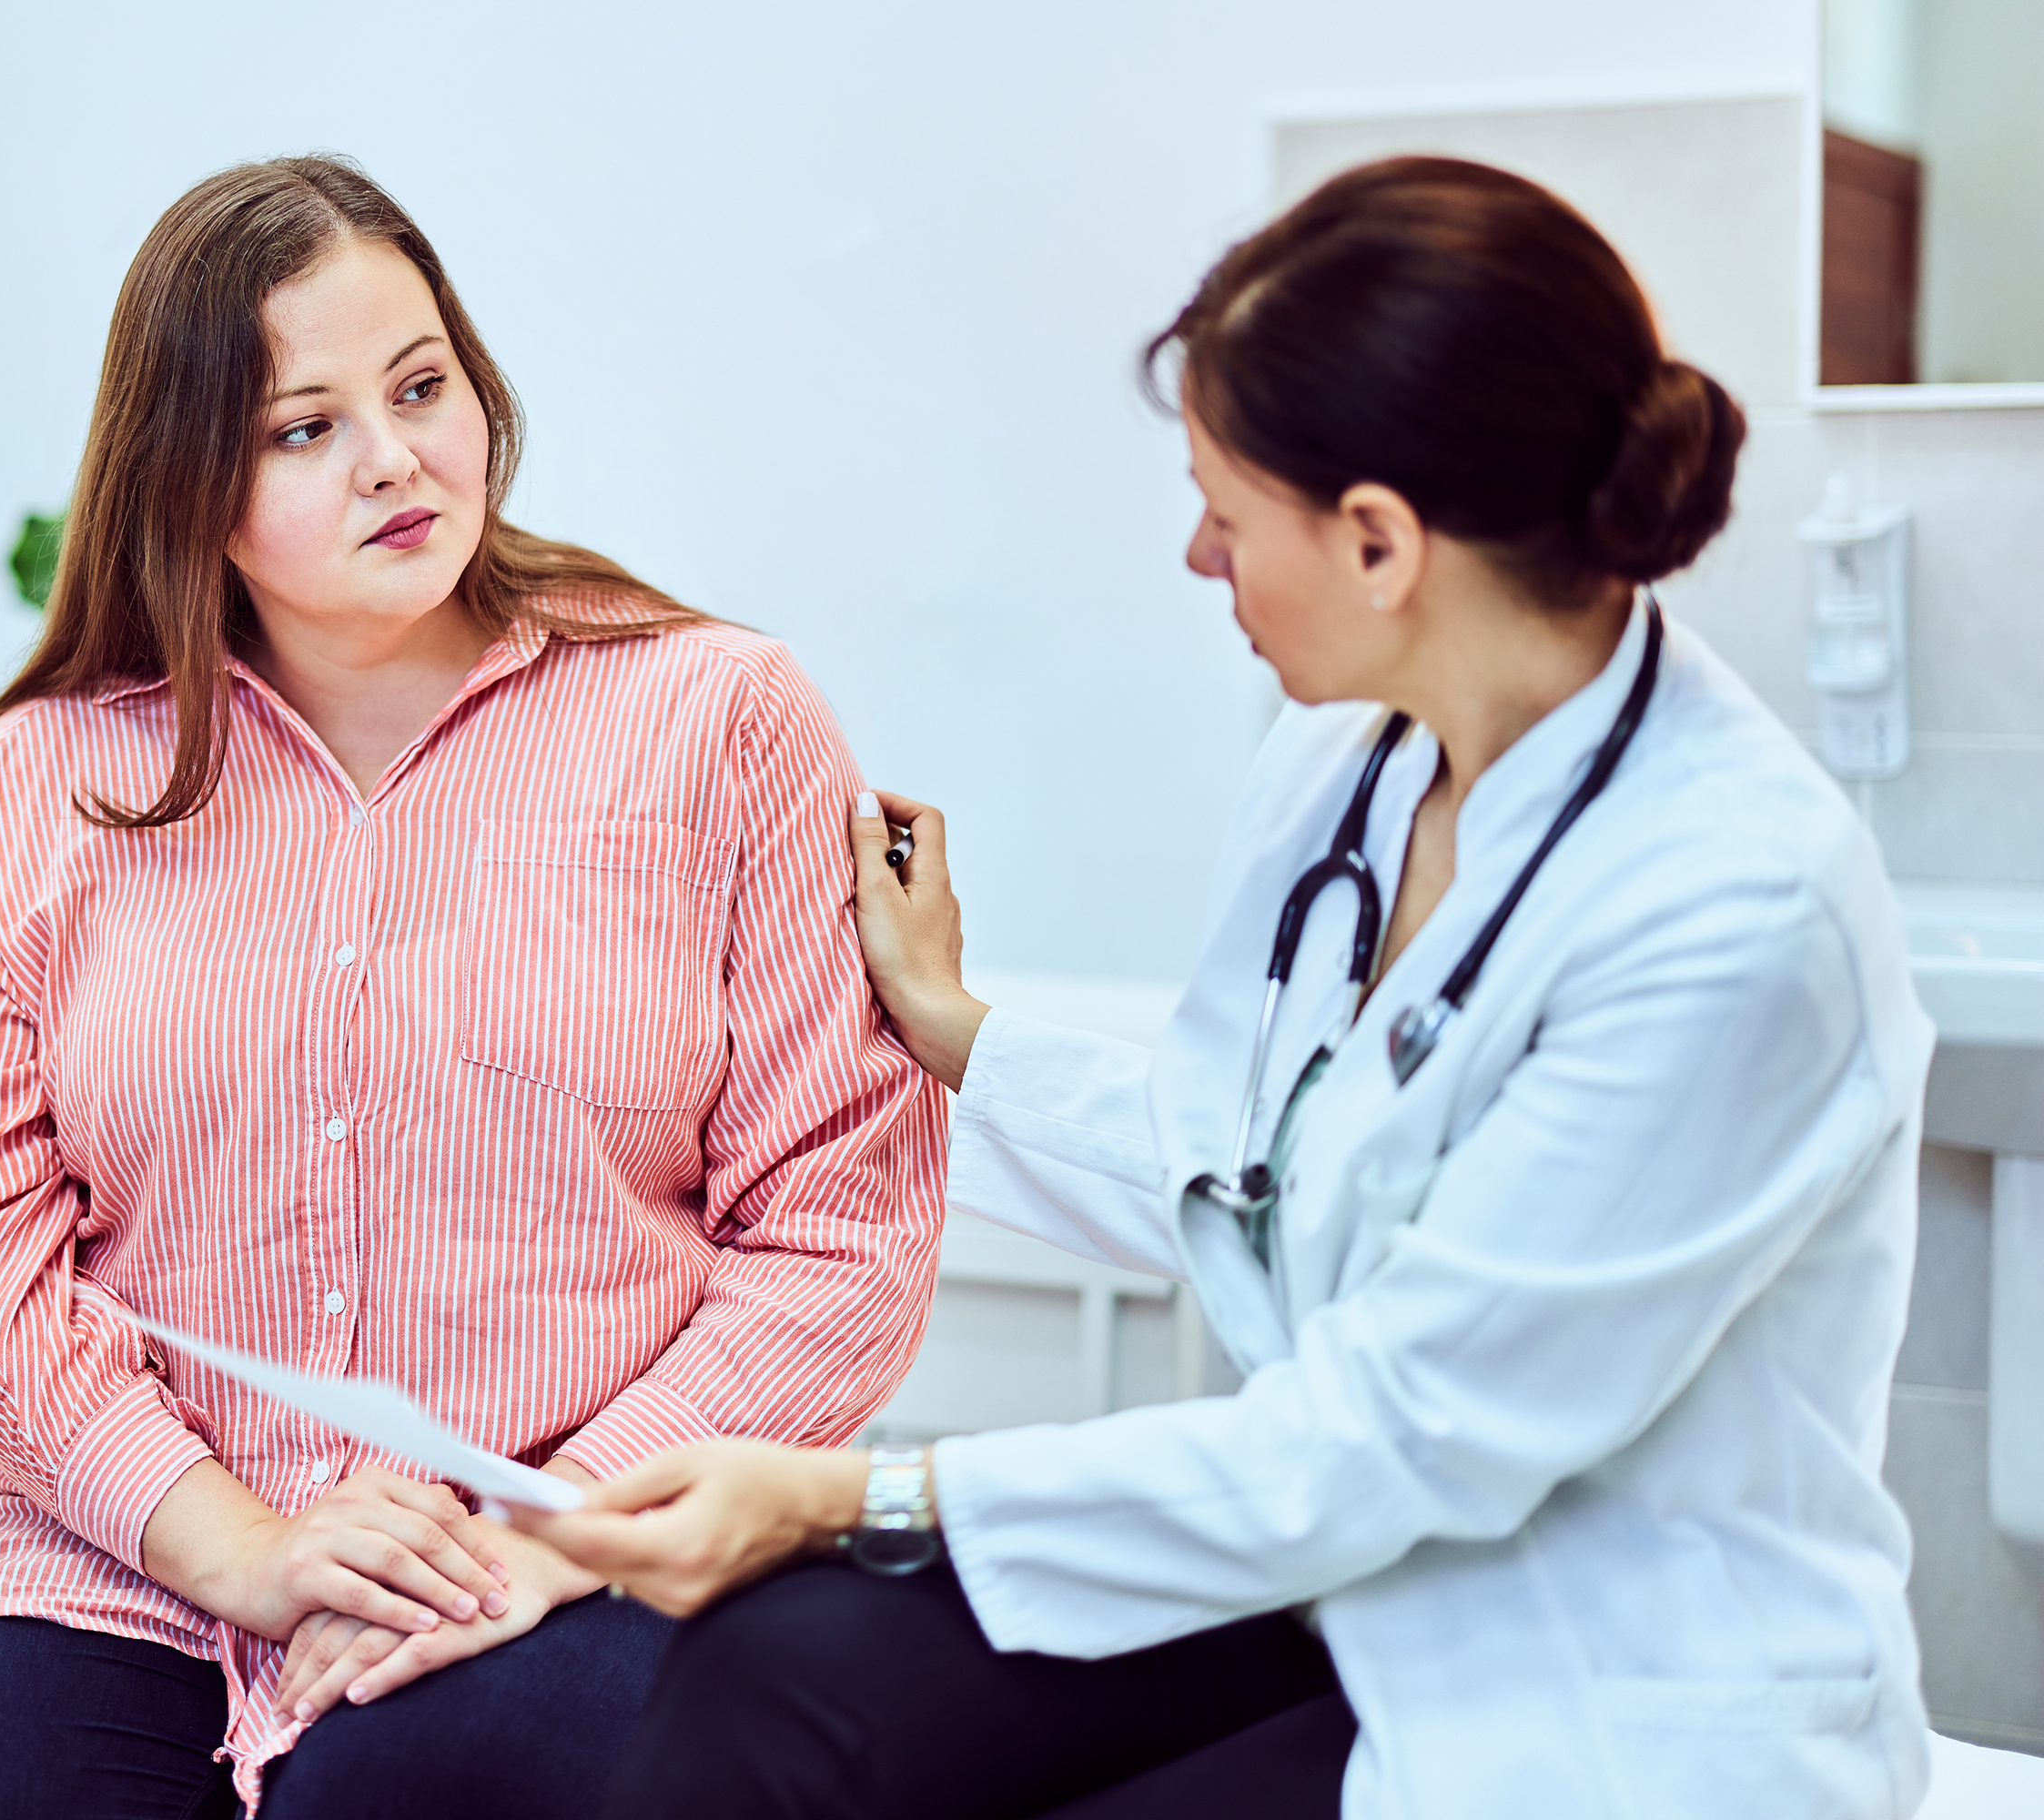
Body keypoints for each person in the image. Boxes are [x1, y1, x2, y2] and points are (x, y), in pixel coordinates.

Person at [518, 157, 1935, 1820]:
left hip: (1592, 1682)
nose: (1198, 557)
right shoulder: (1345, 769)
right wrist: (952, 1032)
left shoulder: (1736, 911)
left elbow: (1388, 1431)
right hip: (1357, 1581)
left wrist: (843, 1494)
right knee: (782, 1679)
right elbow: (1255, 1160)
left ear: (1381, 541)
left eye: (1225, 508)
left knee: (855, 1628)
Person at [0, 156, 947, 1820]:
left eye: (422, 387)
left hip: (571, 1543)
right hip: (118, 1548)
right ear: (189, 481)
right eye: (304, 428)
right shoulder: (41, 784)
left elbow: (837, 1240)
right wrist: (246, 1551)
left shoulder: (718, 718)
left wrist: (544, 1540)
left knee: (420, 1789)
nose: (396, 459)